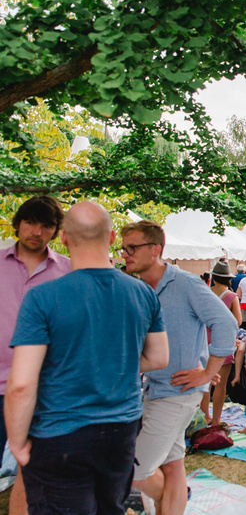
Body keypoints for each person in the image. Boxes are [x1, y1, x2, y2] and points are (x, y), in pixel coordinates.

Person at [6, 201, 168, 515]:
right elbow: (159, 357)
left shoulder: (42, 297)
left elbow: (21, 385)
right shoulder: (142, 292)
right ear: (111, 239)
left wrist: (16, 442)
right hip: (120, 430)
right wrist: (109, 363)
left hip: (59, 431)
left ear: (63, 237)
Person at [121, 219, 238, 515]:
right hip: (153, 389)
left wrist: (208, 372)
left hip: (178, 393)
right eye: (123, 249)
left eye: (132, 247)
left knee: (132, 471)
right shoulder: (138, 287)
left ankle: (166, 500)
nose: (125, 254)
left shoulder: (185, 283)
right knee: (172, 467)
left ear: (155, 249)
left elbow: (225, 323)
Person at [0, 195, 71, 514]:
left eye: (47, 225)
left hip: (44, 388)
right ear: (17, 224)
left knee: (36, 470)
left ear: (56, 231)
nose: (36, 231)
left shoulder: (69, 271)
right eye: (29, 222)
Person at [207, 260, 243, 427]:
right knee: (221, 384)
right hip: (224, 342)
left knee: (204, 383)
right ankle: (216, 419)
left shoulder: (205, 293)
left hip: (205, 342)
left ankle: (204, 415)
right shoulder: (231, 297)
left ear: (214, 278)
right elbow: (238, 321)